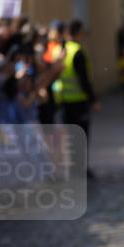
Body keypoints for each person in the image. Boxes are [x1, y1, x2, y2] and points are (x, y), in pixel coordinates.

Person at [52, 19, 100, 179]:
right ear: (78, 32)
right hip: (78, 100)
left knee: (70, 136)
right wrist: (93, 100)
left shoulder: (58, 49)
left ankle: (72, 167)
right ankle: (80, 168)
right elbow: (84, 79)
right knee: (81, 136)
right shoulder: (77, 51)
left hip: (62, 100)